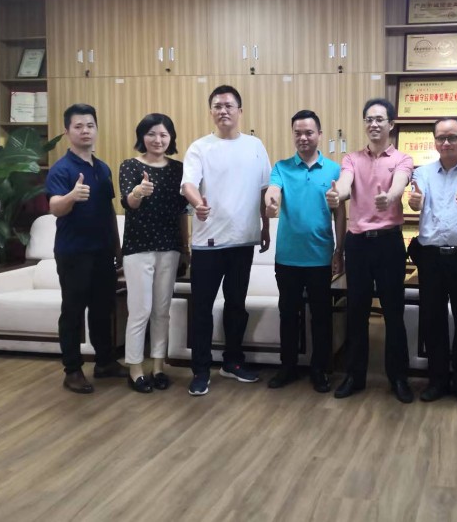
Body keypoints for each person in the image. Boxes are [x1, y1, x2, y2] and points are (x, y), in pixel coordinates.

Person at [181, 85, 271, 396]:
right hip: (208, 244)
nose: (223, 110)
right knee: (202, 309)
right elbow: (188, 184)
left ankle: (232, 362)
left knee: (236, 306)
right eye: (217, 106)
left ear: (240, 111)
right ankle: (200, 370)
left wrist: (265, 227)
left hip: (243, 241)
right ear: (211, 112)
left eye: (229, 105)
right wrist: (198, 204)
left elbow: (264, 190)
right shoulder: (200, 147)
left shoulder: (255, 146)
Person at [325, 98, 414, 403]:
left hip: (389, 243)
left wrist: (390, 196)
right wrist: (338, 194)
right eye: (369, 119)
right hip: (358, 243)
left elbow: (400, 183)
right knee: (357, 312)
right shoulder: (351, 158)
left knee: (394, 312)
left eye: (379, 119)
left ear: (391, 124)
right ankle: (355, 375)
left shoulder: (402, 158)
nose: (374, 124)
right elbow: (345, 184)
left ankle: (398, 378)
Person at [408, 118, 457, 408]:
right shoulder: (422, 173)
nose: (446, 143)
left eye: (452, 137)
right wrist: (414, 203)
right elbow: (417, 202)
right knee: (433, 320)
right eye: (440, 138)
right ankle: (437, 381)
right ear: (434, 141)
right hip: (431, 257)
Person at [264, 110, 346, 393]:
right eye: (298, 133)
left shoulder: (334, 170)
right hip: (287, 257)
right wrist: (271, 202)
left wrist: (339, 251)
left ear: (319, 135)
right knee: (288, 314)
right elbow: (273, 190)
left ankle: (319, 370)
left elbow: (340, 214)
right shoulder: (282, 167)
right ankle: (287, 367)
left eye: (309, 132)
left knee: (321, 317)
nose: (303, 137)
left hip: (320, 257)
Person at [46, 103, 124, 393]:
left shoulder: (102, 168)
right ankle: (73, 370)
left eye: (90, 125)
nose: (85, 131)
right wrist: (71, 196)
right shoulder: (61, 169)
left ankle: (105, 362)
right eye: (78, 126)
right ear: (67, 132)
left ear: (96, 129)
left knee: (103, 309)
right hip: (73, 252)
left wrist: (117, 248)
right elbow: (55, 207)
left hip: (103, 251)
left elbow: (109, 211)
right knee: (73, 311)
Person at [119, 113, 189, 393]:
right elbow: (129, 203)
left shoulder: (178, 169)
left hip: (169, 248)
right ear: (142, 137)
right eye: (151, 134)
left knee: (162, 310)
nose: (157, 139)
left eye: (163, 134)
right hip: (138, 248)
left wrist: (185, 248)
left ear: (171, 138)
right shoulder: (130, 166)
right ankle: (135, 368)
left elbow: (182, 212)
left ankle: (159, 366)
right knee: (140, 310)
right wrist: (139, 191)